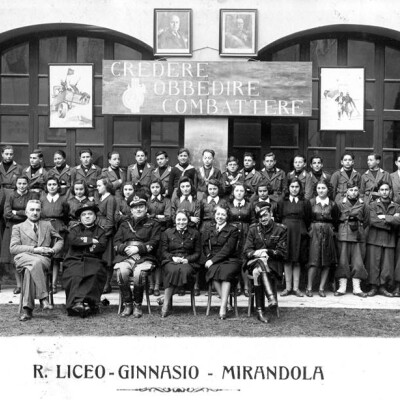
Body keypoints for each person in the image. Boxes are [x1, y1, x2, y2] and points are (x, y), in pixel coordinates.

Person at [10, 199, 63, 321]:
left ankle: (27, 310)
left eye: (37, 210)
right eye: (32, 210)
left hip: (43, 258)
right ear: (26, 212)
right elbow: (13, 248)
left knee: (31, 269)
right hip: (23, 257)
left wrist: (53, 250)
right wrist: (35, 249)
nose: (35, 212)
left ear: (40, 212)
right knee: (34, 263)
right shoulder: (18, 227)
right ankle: (44, 298)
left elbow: (59, 239)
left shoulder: (47, 225)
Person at [113, 193, 161, 318]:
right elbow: (116, 242)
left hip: (145, 257)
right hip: (126, 256)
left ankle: (137, 305)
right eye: (135, 207)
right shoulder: (124, 224)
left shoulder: (153, 224)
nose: (138, 209)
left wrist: (138, 248)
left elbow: (155, 242)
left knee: (138, 274)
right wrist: (125, 248)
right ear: (131, 210)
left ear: (146, 208)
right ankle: (128, 304)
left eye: (141, 206)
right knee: (121, 272)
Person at [243, 202, 287, 323]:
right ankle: (271, 298)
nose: (263, 218)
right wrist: (258, 253)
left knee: (258, 271)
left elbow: (282, 253)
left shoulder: (281, 229)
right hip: (253, 262)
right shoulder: (253, 229)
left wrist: (267, 251)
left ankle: (260, 311)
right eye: (260, 216)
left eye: (265, 215)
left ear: (271, 214)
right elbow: (247, 251)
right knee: (260, 263)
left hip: (273, 264)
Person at [62, 204, 107, 317]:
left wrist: (82, 243)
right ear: (80, 218)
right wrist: (91, 240)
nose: (87, 217)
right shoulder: (74, 229)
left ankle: (88, 303)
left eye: (90, 214)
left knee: (95, 273)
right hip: (74, 259)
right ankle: (76, 304)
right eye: (84, 215)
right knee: (74, 274)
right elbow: (73, 241)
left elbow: (101, 246)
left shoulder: (101, 231)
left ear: (95, 217)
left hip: (93, 259)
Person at [160, 209, 201, 318]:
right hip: (171, 261)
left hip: (188, 262)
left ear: (188, 220)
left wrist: (187, 259)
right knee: (173, 270)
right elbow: (163, 252)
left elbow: (198, 252)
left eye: (184, 219)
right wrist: (172, 258)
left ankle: (165, 300)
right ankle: (165, 304)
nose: (181, 222)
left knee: (185, 270)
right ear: (175, 220)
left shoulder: (195, 233)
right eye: (179, 219)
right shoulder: (167, 233)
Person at [0, 176, 38, 293]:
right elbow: (7, 214)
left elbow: (32, 213)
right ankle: (19, 285)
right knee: (14, 258)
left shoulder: (32, 195)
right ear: (16, 184)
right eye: (19, 183)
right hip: (12, 228)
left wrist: (16, 212)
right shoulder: (11, 195)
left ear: (28, 184)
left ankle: (29, 285)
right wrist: (23, 213)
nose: (22, 186)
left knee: (28, 255)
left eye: (24, 183)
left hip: (28, 227)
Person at [202, 205, 240, 319]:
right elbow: (204, 245)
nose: (220, 216)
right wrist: (209, 256)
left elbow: (228, 249)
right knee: (213, 273)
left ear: (227, 216)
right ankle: (227, 303)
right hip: (214, 260)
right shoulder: (209, 229)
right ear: (214, 215)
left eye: (223, 214)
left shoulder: (233, 230)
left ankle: (223, 307)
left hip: (230, 260)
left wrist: (212, 260)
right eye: (218, 214)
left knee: (225, 274)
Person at [277, 177, 311, 297]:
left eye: (297, 187)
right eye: (292, 187)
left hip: (300, 231)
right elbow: (278, 216)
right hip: (286, 232)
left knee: (297, 260)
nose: (294, 189)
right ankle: (288, 287)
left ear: (300, 188)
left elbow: (308, 218)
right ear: (288, 188)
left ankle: (296, 288)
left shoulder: (305, 202)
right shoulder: (282, 202)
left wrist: (302, 229)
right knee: (287, 260)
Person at [366, 181, 400, 297]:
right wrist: (390, 223)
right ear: (378, 191)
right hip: (374, 238)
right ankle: (373, 287)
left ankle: (383, 287)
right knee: (373, 264)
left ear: (390, 191)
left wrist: (384, 217)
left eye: (386, 189)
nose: (384, 192)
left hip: (389, 240)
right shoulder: (372, 205)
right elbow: (373, 221)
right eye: (382, 190)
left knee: (387, 265)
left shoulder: (396, 206)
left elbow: (399, 221)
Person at [306, 179, 339, 297]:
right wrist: (310, 230)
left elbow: (336, 220)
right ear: (316, 189)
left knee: (326, 261)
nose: (321, 190)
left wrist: (331, 230)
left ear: (328, 190)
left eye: (323, 188)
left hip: (328, 232)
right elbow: (307, 218)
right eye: (319, 188)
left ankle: (321, 288)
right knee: (313, 261)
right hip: (314, 232)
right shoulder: (311, 203)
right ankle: (309, 287)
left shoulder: (333, 204)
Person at [335, 182, 369, 297]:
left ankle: (357, 287)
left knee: (358, 261)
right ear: (346, 191)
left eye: (355, 190)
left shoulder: (363, 204)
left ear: (358, 191)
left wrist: (359, 228)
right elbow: (335, 219)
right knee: (343, 260)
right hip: (344, 233)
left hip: (358, 234)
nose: (353, 192)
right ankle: (342, 287)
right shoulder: (340, 203)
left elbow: (366, 220)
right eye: (351, 190)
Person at [39, 177, 69, 293]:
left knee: (56, 258)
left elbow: (66, 216)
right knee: (45, 256)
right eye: (49, 184)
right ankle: (45, 285)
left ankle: (54, 285)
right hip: (45, 227)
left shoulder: (63, 199)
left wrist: (62, 226)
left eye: (54, 184)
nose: (52, 187)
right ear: (46, 186)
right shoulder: (42, 199)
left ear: (58, 186)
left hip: (58, 228)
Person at [147, 179, 171, 296]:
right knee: (150, 258)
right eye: (153, 187)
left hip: (162, 232)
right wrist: (158, 217)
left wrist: (153, 216)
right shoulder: (147, 201)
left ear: (160, 188)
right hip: (149, 233)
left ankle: (157, 285)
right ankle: (151, 285)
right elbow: (145, 217)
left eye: (157, 187)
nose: (155, 189)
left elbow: (168, 217)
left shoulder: (166, 201)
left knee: (159, 259)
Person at [228, 182, 252, 296]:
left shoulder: (249, 205)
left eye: (241, 191)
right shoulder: (229, 205)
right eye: (237, 190)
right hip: (232, 234)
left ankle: (246, 286)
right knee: (234, 258)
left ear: (244, 193)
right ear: (233, 192)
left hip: (246, 233)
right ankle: (237, 285)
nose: (239, 193)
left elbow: (253, 221)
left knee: (245, 258)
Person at [95, 178, 117, 294]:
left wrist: (106, 233)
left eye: (99, 185)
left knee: (107, 259)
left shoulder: (111, 199)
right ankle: (101, 283)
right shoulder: (101, 198)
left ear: (106, 186)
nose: (97, 188)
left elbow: (110, 217)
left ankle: (107, 284)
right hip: (98, 228)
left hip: (105, 231)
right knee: (100, 258)